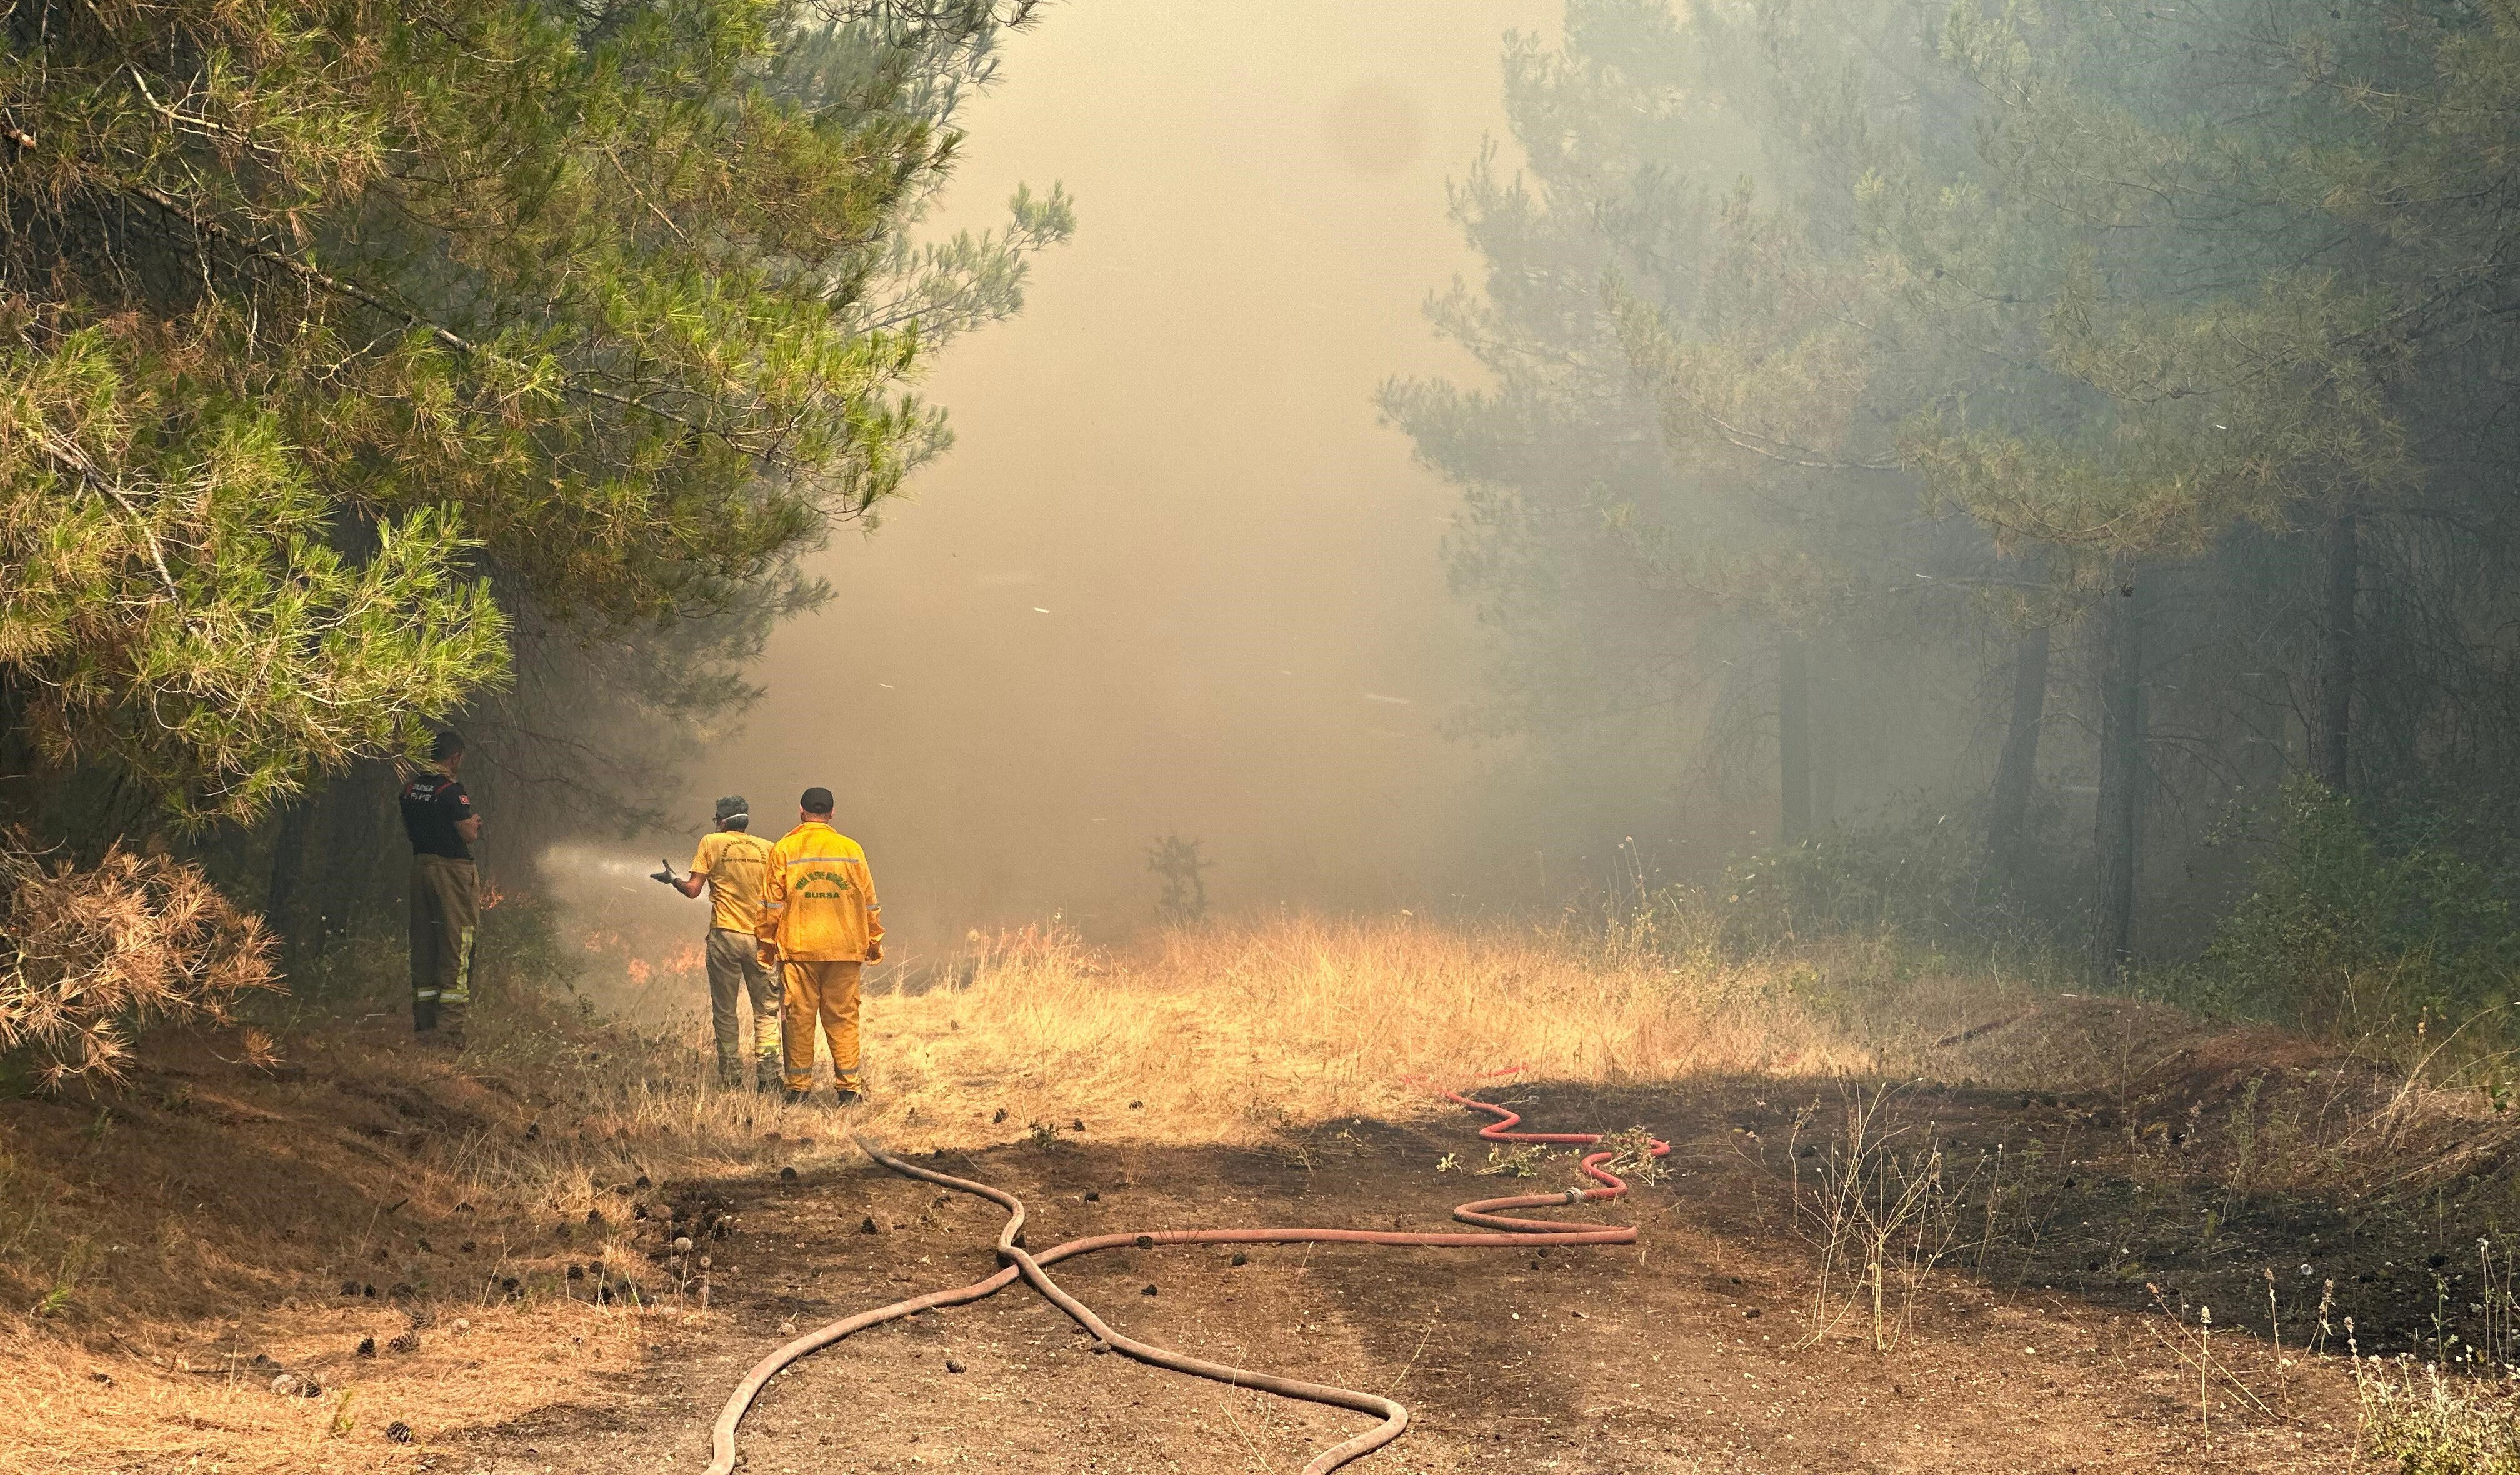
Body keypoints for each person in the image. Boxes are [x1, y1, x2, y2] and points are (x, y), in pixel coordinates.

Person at [756, 787, 883, 1106]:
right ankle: (849, 1089)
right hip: (845, 949)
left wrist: (766, 946)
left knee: (798, 1017)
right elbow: (868, 902)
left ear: (801, 811)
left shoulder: (785, 849)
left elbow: (772, 903)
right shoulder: (852, 849)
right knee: (843, 1018)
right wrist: (873, 942)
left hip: (799, 950)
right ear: (832, 812)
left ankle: (798, 1088)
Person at [655, 796, 779, 1091]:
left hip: (726, 936)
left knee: (726, 1009)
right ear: (745, 820)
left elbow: (693, 891)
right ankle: (770, 1076)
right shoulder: (769, 848)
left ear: (722, 822)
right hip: (762, 938)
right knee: (766, 1009)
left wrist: (672, 879)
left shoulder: (712, 842)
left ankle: (732, 1076)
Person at [399, 728, 482, 1044]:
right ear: (455, 757)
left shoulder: (409, 789)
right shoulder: (451, 791)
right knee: (457, 945)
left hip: (420, 869)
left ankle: (424, 1025)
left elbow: (414, 828)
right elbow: (467, 834)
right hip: (452, 873)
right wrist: (473, 823)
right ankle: (450, 1031)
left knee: (424, 944)